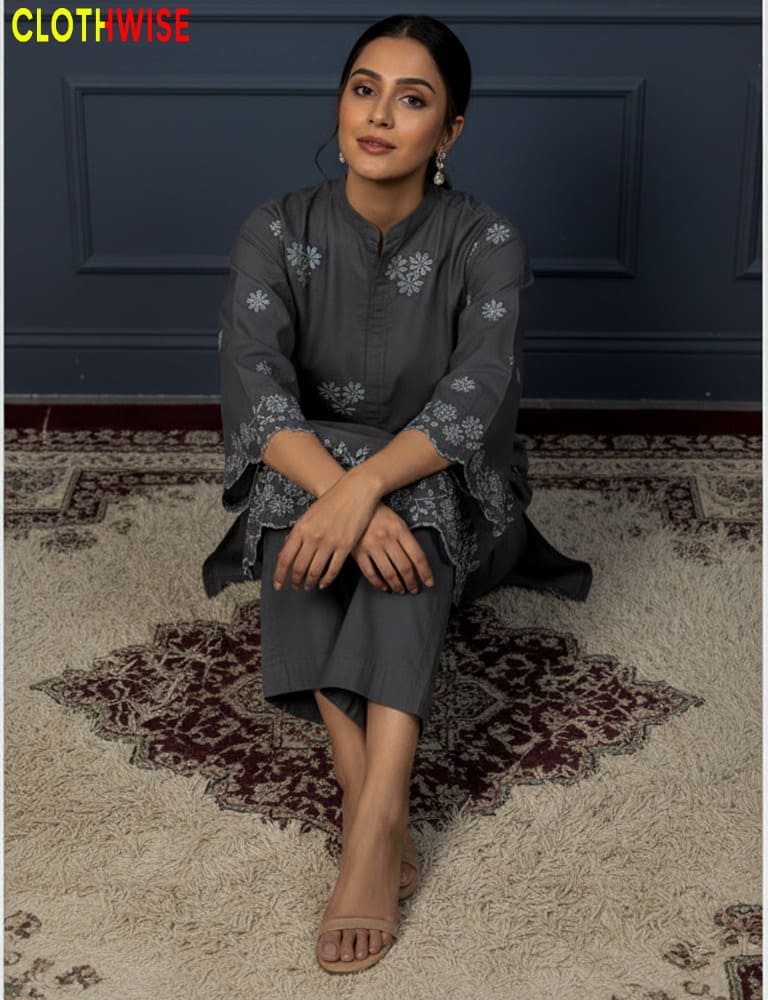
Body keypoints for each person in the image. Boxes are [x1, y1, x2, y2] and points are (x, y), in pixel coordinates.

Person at [202, 13, 592, 975]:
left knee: (402, 514)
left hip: (457, 497)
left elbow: (476, 394)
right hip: (313, 476)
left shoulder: (488, 241)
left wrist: (362, 487)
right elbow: (255, 382)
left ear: (449, 130)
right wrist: (338, 492)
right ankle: (369, 798)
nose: (379, 116)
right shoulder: (276, 229)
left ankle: (373, 815)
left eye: (412, 99)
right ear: (339, 101)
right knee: (294, 505)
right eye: (363, 88)